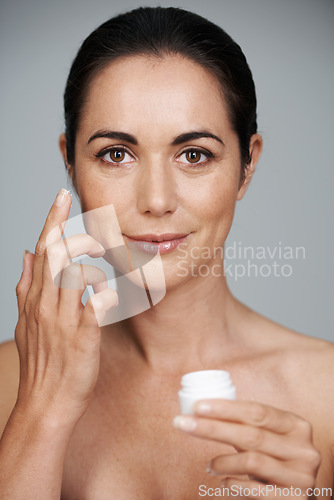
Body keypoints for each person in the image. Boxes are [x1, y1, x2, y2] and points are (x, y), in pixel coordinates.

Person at [0, 6, 333, 499]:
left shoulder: (325, 393)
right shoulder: (11, 383)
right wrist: (42, 409)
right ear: (70, 162)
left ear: (247, 165)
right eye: (116, 153)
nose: (156, 201)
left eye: (194, 154)